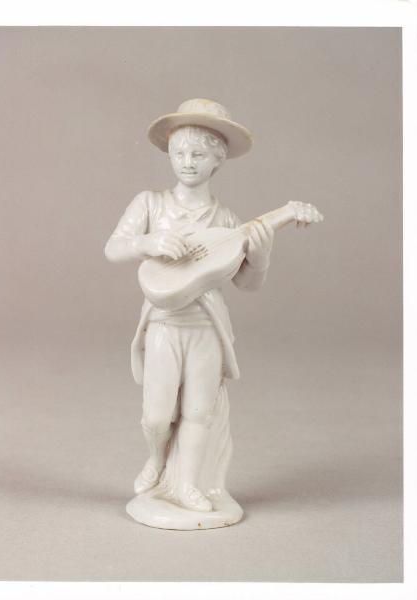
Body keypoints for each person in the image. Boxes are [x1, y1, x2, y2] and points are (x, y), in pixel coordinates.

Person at [105, 99, 275, 513]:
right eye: (179, 153)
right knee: (156, 416)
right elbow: (113, 248)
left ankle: (187, 485)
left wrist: (261, 258)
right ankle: (157, 459)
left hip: (207, 326)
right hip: (164, 322)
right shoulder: (150, 203)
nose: (187, 162)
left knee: (200, 411)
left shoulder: (227, 219)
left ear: (218, 160)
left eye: (198, 154)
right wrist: (148, 242)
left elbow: (246, 284)